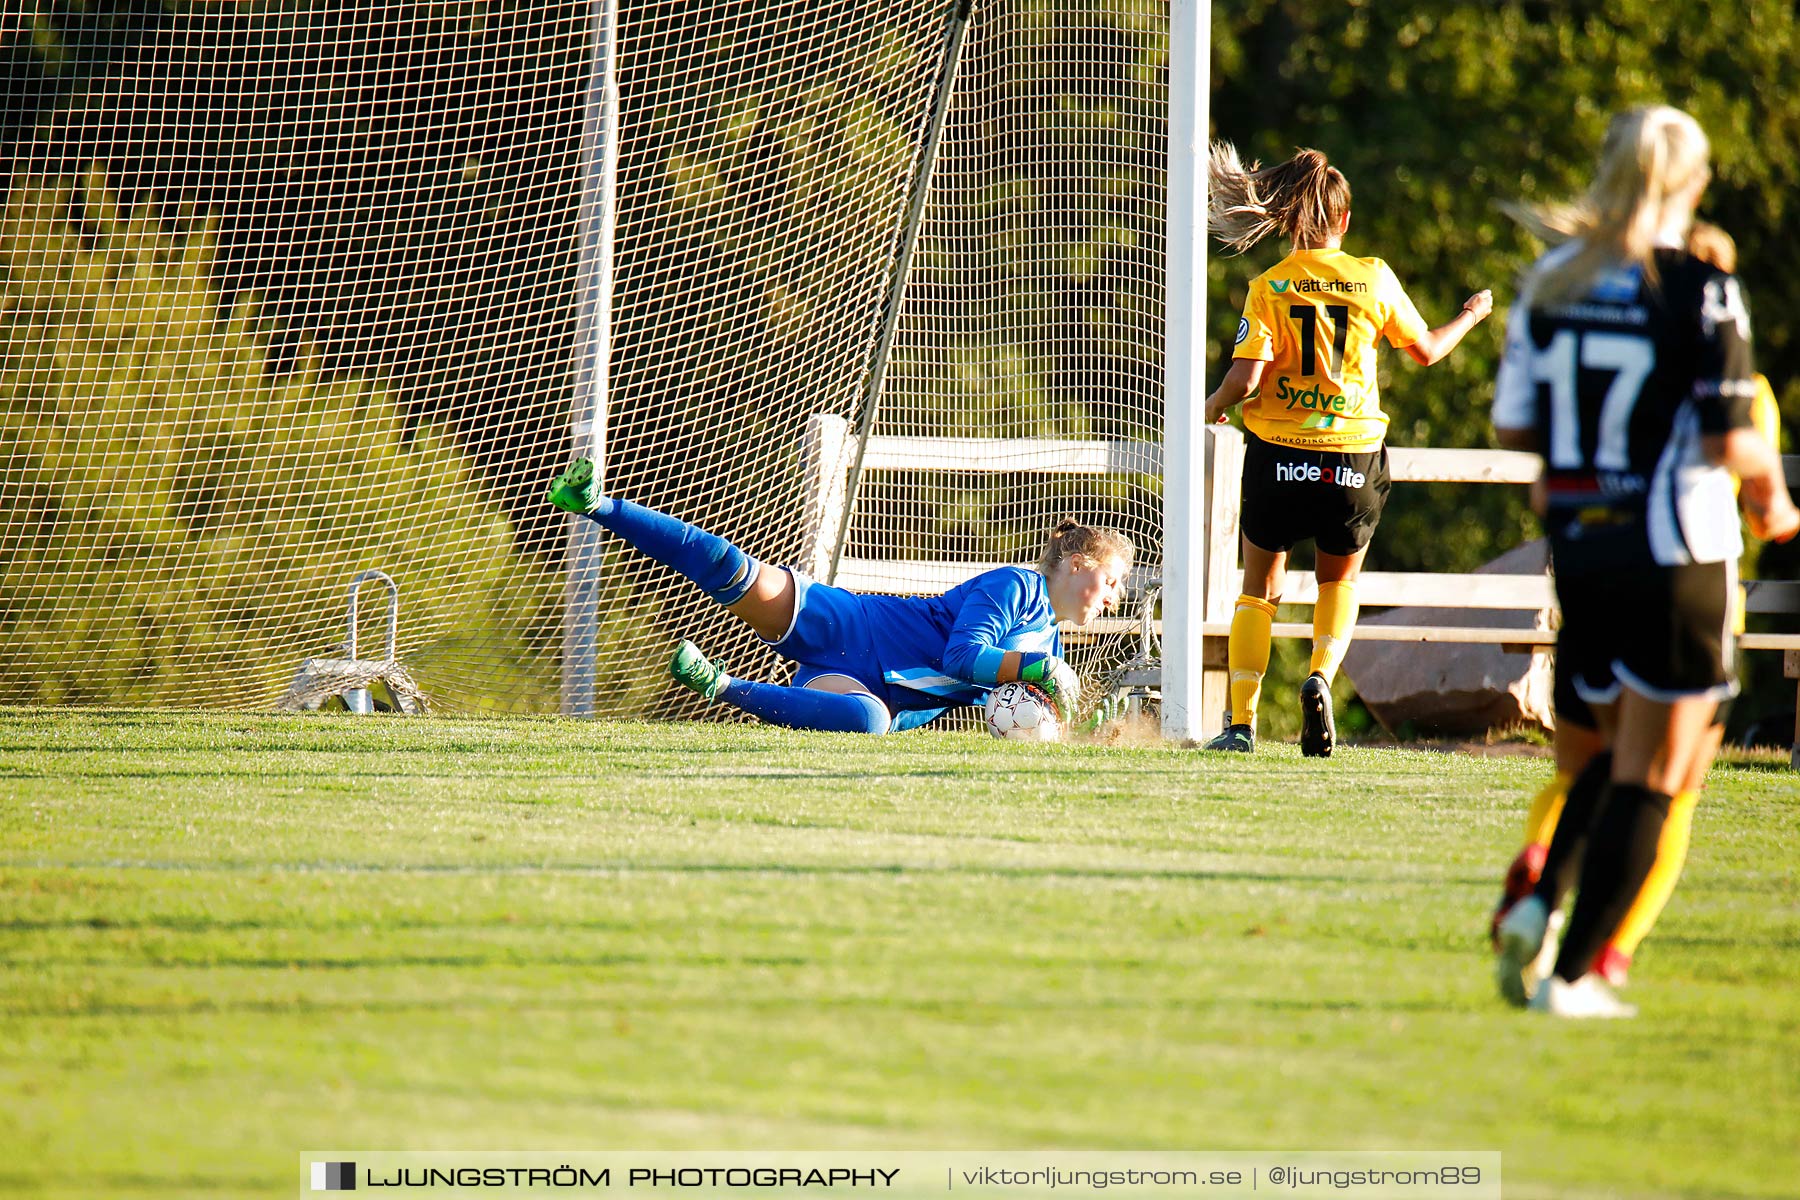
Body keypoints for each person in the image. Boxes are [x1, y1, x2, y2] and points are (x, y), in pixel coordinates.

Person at [1489, 106, 1799, 1018]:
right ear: (1692, 185)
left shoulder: (1550, 277)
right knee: (1664, 777)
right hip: (1678, 556)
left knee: (1600, 761)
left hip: (1584, 549)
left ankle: (1541, 902)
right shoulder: (1702, 288)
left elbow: (1514, 423)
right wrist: (1773, 504)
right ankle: (1577, 974)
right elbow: (1729, 435)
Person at [1199, 143, 1494, 756]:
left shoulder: (1268, 286)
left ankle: (1240, 724)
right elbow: (1426, 351)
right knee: (1338, 583)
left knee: (1259, 589)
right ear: (1344, 220)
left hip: (1278, 455)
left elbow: (1245, 380)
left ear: (1288, 219)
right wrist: (1469, 315)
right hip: (1351, 460)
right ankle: (1320, 676)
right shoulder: (1374, 277)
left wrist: (1207, 408)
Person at [545, 456, 1132, 734]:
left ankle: (719, 684)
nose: (1111, 599)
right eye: (1110, 582)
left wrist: (1067, 722)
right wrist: (1039, 669)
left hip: (869, 691)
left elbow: (997, 710)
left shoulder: (1047, 640)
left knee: (869, 722)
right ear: (1077, 565)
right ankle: (598, 504)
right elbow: (961, 659)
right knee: (732, 568)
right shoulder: (1017, 586)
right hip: (853, 627)